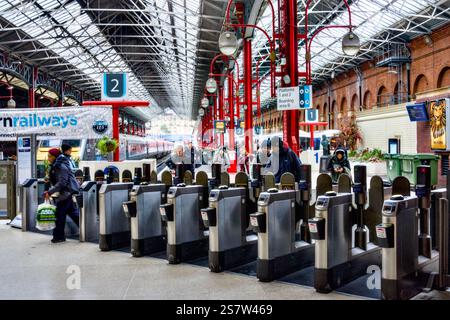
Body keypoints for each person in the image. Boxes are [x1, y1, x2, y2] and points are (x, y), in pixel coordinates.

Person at [43, 148, 80, 243]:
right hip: (66, 192)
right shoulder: (58, 164)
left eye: (49, 156)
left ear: (55, 156)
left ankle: (59, 237)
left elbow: (62, 182)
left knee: (59, 215)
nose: (48, 158)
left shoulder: (60, 165)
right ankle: (87, 229)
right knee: (73, 213)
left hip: (65, 193)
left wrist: (50, 192)